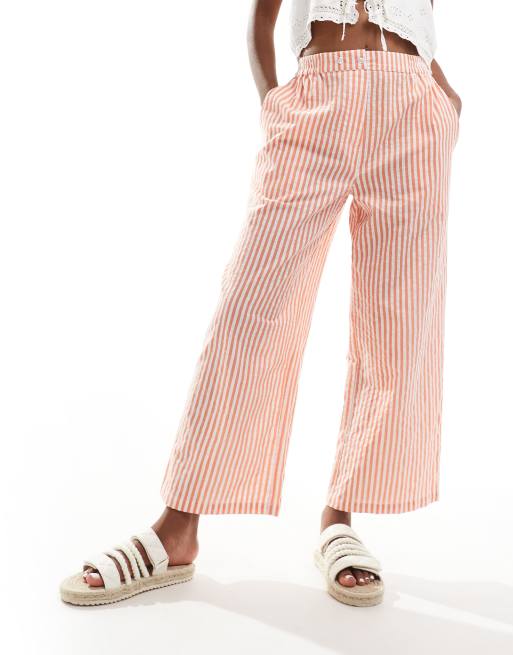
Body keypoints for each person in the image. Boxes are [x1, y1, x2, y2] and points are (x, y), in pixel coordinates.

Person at [60, 0, 460, 608]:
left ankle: (340, 517)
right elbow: (262, 18)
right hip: (315, 107)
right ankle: (177, 526)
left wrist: (444, 96)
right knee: (249, 313)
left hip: (414, 115)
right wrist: (274, 103)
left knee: (397, 323)